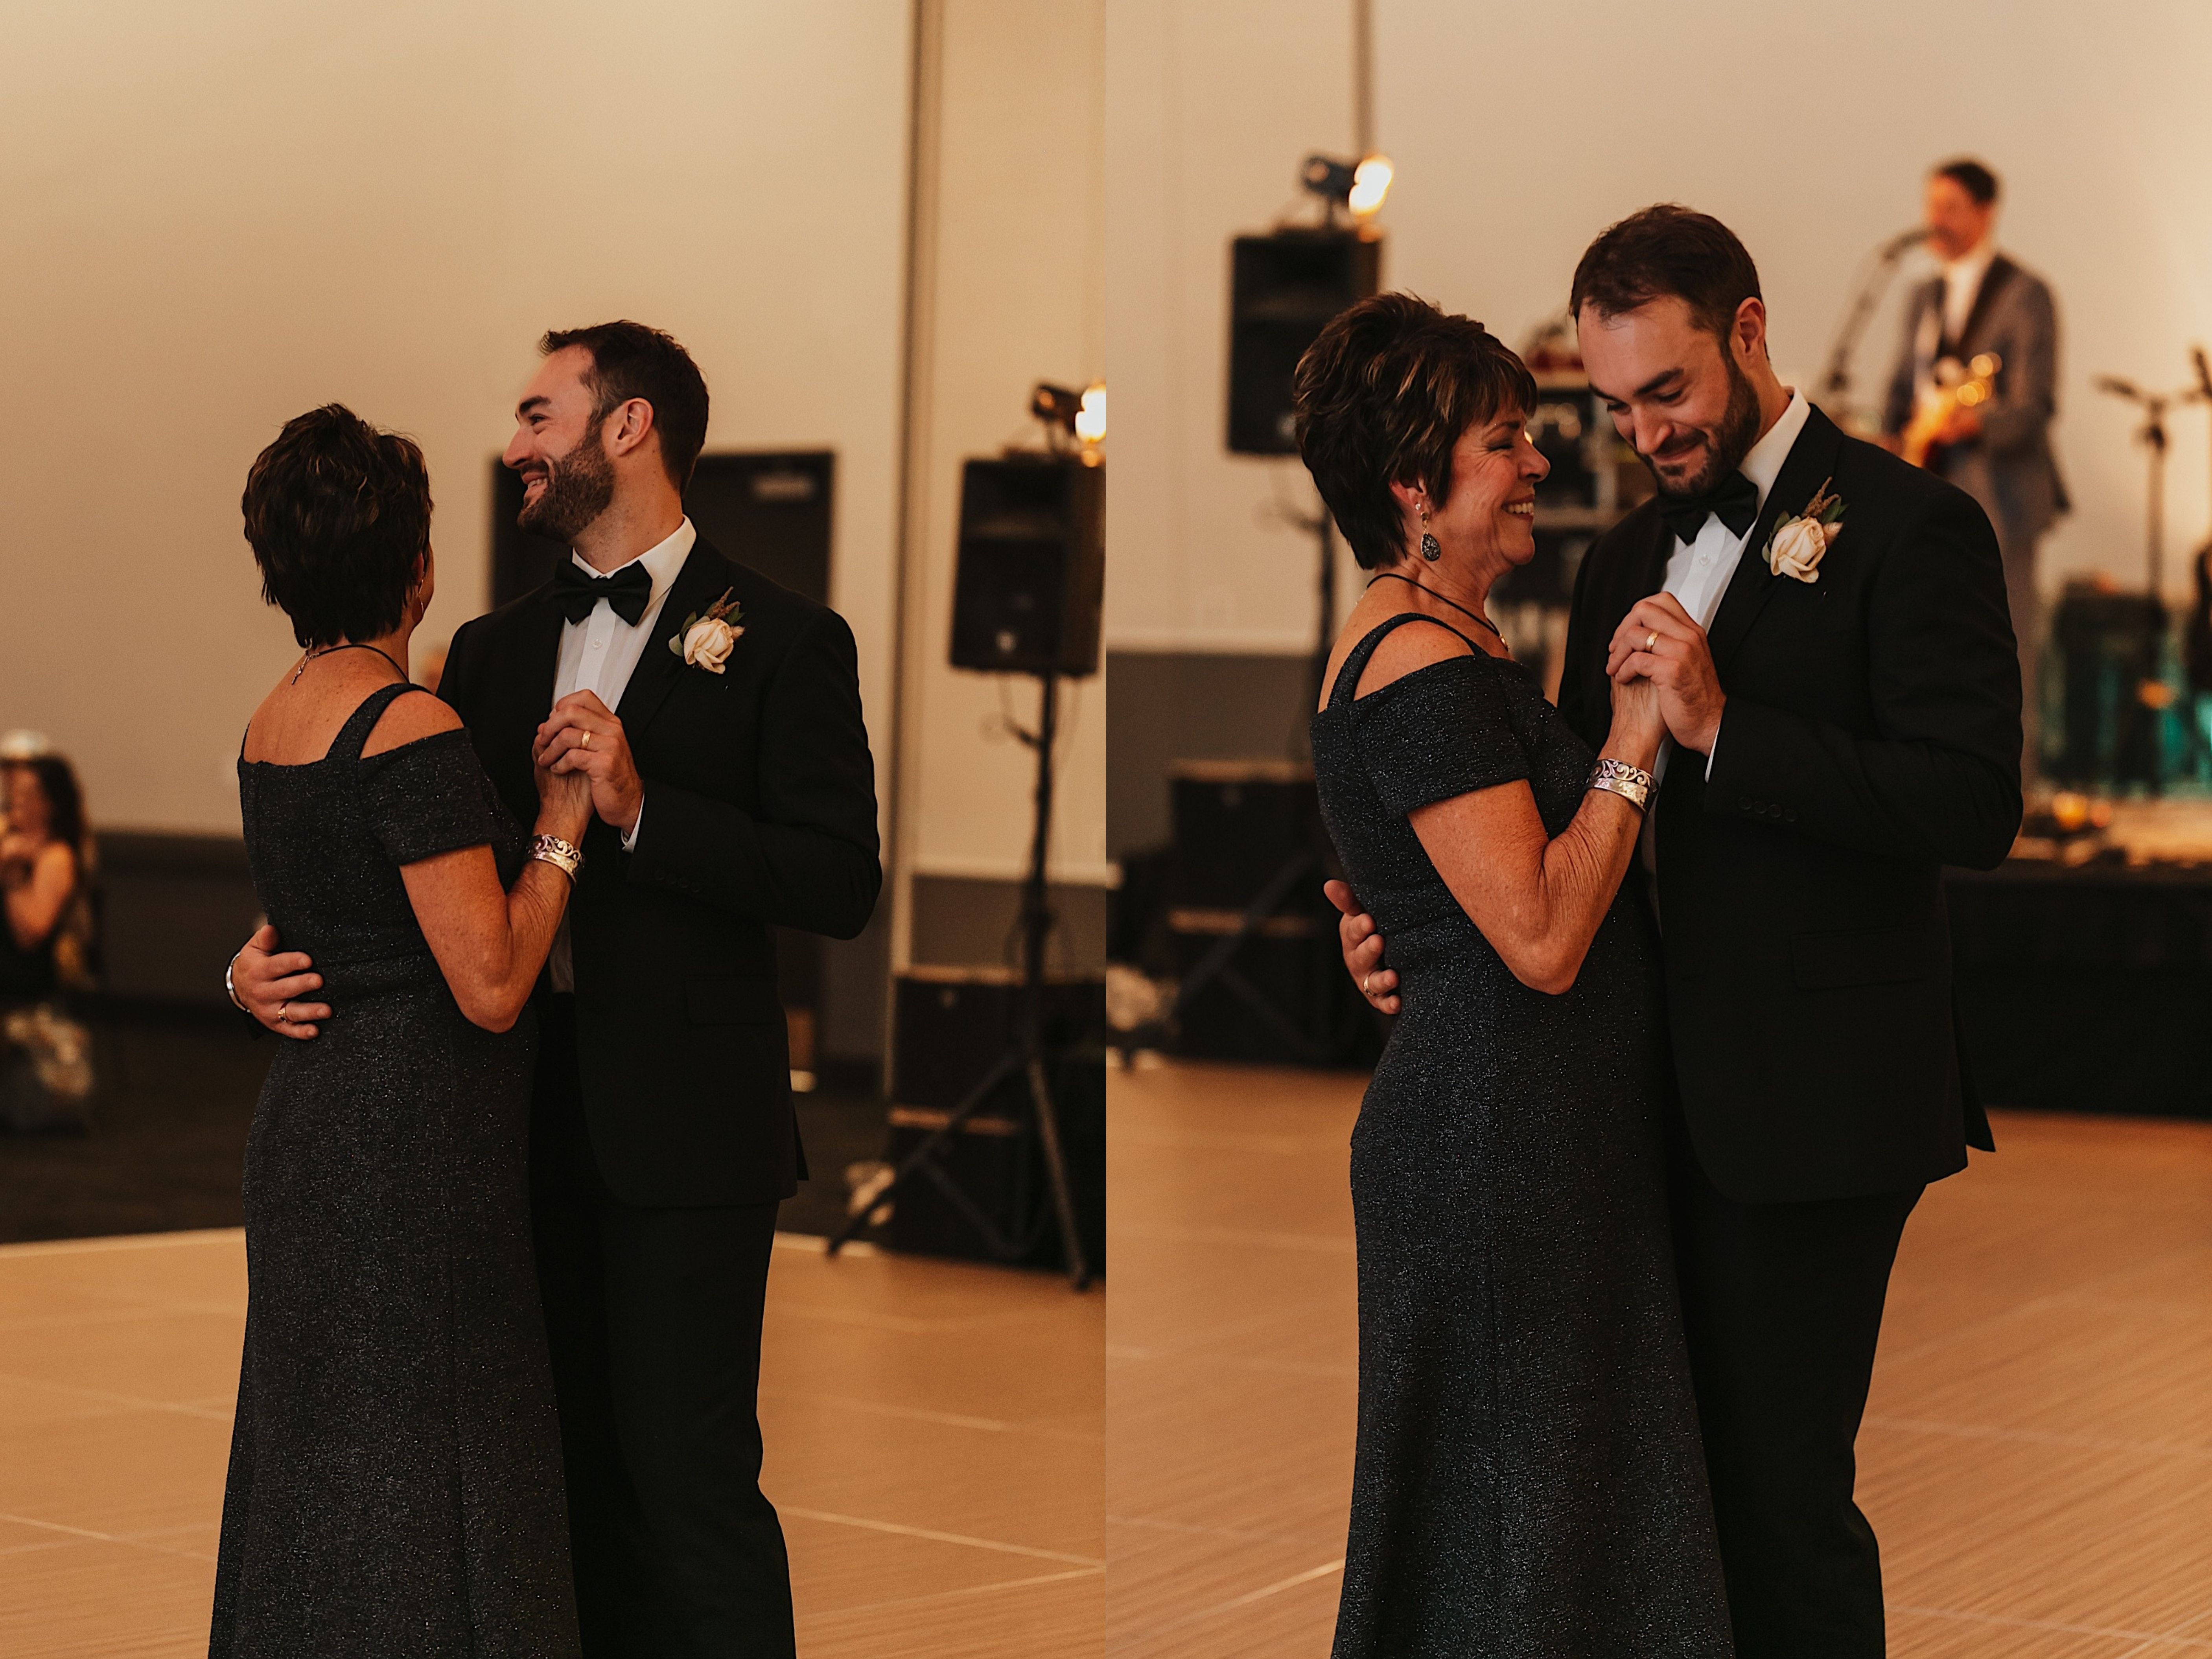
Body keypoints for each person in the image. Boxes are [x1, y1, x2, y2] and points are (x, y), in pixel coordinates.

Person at [1335, 206, 2024, 1659]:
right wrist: (1415, 932)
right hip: (1634, 1110)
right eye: (1610, 405)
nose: (1642, 432)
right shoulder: (1620, 559)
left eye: (1668, 392)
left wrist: (1727, 729)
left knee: (1777, 1495)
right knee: (1668, 1502)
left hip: (1814, 1096)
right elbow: (1576, 819)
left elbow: (1970, 802)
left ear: (1750, 335)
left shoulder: (1912, 526)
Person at [231, 322, 882, 1658]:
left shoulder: (786, 638)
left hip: (684, 1131)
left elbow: (837, 881)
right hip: (498, 1136)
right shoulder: (482, 651)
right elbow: (408, 854)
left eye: (538, 415)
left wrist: (642, 809)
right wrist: (257, 945)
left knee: (687, 1484)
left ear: (626, 427)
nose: (515, 446)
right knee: (552, 1480)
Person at [1296, 292, 1732, 1656]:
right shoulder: (1417, 660)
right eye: (1506, 440)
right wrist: (1629, 739)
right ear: (1413, 486)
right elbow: (1540, 937)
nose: (1539, 460)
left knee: (1548, 1512)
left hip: (1532, 1131)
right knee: (1516, 1523)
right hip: (1494, 1144)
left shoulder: (1454, 639)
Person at [212, 405, 592, 1653]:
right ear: (418, 569)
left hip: (312, 1126)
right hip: (412, 1144)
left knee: (319, 1453)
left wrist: (239, 977)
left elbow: (319, 919)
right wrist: (557, 827)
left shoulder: (275, 717)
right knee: (435, 1461)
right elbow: (490, 982)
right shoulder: (409, 726)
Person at [1883, 158, 2065, 773]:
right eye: (1931, 206)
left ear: (1986, 213)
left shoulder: (2025, 293)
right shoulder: (1921, 296)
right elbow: (1898, 391)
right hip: (1927, 494)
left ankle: (2013, 790)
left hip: (2002, 500)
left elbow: (2035, 407)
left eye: (1951, 208)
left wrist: (1970, 422)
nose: (1935, 221)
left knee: (2007, 648)